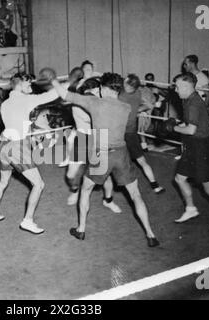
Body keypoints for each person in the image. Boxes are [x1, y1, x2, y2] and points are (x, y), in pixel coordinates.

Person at [52, 73, 159, 247]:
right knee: (136, 194)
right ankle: (150, 234)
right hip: (121, 153)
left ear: (103, 88)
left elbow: (65, 95)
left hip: (102, 153)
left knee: (85, 190)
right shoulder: (125, 107)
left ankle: (81, 229)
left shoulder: (96, 103)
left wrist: (54, 81)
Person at [0, 72, 59, 234]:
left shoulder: (4, 104)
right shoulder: (27, 100)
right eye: (28, 84)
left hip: (3, 145)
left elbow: (16, 121)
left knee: (3, 182)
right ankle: (28, 220)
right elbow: (53, 94)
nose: (30, 87)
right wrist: (69, 82)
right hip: (17, 147)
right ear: (19, 85)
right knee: (39, 184)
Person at [166, 73, 209, 232]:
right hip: (192, 147)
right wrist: (177, 123)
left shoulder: (194, 104)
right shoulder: (188, 100)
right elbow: (190, 124)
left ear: (186, 87)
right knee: (179, 178)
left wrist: (172, 128)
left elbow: (190, 129)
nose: (175, 90)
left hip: (202, 148)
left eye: (177, 86)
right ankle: (191, 209)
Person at [64, 76, 122, 214]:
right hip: (83, 138)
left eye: (99, 92)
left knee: (106, 175)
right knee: (71, 174)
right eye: (95, 92)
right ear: (87, 91)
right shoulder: (78, 105)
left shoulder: (102, 103)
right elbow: (90, 117)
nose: (97, 95)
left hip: (99, 139)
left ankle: (108, 200)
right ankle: (74, 190)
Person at [119, 74, 165, 194]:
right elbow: (149, 105)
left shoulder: (121, 96)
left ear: (128, 84)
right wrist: (136, 110)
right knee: (142, 161)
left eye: (125, 82)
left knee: (115, 159)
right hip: (132, 132)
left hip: (120, 132)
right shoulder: (138, 93)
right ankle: (155, 185)